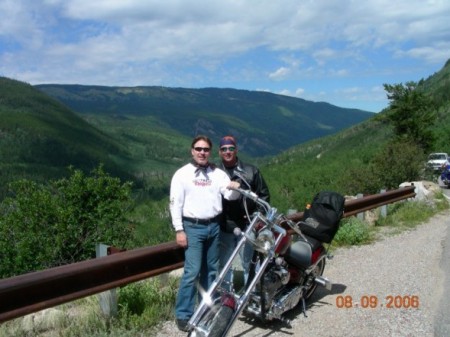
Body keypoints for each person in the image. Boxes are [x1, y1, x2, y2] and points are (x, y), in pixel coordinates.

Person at [169, 135, 240, 332]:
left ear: (210, 152)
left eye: (206, 149)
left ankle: (205, 310)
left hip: (214, 226)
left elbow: (229, 195)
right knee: (192, 271)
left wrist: (235, 189)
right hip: (192, 227)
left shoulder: (218, 174)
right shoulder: (182, 174)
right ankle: (183, 314)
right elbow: (175, 204)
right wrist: (179, 230)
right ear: (192, 151)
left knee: (210, 271)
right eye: (198, 149)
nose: (202, 152)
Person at [218, 135, 270, 288]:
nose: (228, 151)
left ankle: (252, 297)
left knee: (250, 263)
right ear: (220, 152)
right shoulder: (215, 173)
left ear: (236, 150)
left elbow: (264, 195)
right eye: (224, 149)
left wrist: (258, 220)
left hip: (249, 224)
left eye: (231, 148)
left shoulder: (251, 171)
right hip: (225, 226)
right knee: (224, 265)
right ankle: (225, 301)